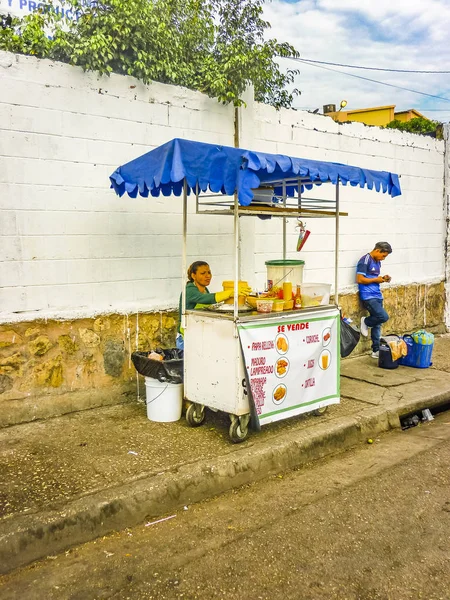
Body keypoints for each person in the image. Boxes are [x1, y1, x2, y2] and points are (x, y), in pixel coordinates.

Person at [176, 261, 250, 350]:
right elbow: (206, 298)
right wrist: (229, 293)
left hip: (199, 333)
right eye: (203, 273)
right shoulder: (189, 290)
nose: (208, 276)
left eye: (209, 272)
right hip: (187, 337)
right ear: (193, 276)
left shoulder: (204, 289)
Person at [356, 242, 393, 359]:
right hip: (368, 296)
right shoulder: (365, 260)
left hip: (377, 295)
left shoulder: (378, 262)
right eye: (383, 256)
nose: (383, 258)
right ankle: (366, 322)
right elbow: (360, 279)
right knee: (383, 317)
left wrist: (383, 278)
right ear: (377, 250)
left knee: (377, 324)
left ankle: (376, 350)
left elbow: (372, 277)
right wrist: (376, 279)